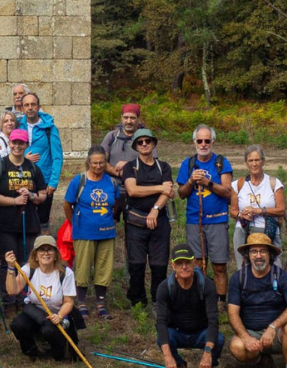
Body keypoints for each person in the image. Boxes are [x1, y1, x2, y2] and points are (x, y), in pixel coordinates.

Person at [228, 234, 287, 368]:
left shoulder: (282, 276)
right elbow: (232, 312)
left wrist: (273, 327)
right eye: (254, 251)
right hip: (251, 332)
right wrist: (246, 337)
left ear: (270, 254)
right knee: (236, 347)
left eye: (263, 251)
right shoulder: (239, 278)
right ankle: (262, 362)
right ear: (248, 255)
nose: (258, 256)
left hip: (277, 333)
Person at [0, 129, 48, 308]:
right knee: (8, 262)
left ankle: (23, 300)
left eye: (21, 143)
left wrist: (31, 195)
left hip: (29, 223)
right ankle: (8, 301)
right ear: (10, 143)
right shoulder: (0, 166)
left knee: (26, 263)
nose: (17, 146)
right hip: (4, 224)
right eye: (14, 142)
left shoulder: (33, 168)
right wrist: (14, 201)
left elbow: (43, 194)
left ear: (26, 144)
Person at [176, 124, 233, 301]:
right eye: (199, 141)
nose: (203, 144)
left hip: (217, 220)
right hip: (195, 221)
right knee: (197, 265)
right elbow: (181, 194)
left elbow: (227, 192)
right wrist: (191, 181)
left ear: (213, 141)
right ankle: (201, 300)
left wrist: (207, 182)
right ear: (194, 142)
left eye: (207, 141)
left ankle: (220, 301)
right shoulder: (188, 164)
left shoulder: (221, 163)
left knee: (219, 266)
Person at [62, 146, 119, 321]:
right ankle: (81, 303)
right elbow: (67, 204)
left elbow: (116, 203)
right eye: (94, 163)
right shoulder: (79, 181)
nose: (98, 166)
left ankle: (101, 303)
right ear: (88, 162)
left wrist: (113, 220)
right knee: (83, 268)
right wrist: (75, 223)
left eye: (101, 162)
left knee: (104, 268)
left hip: (107, 233)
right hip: (84, 233)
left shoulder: (111, 182)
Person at [155, 244, 223, 368]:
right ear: (173, 266)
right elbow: (160, 322)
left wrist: (207, 353)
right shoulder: (164, 287)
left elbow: (213, 320)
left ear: (194, 263)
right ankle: (179, 367)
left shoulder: (207, 285)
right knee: (163, 337)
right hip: (177, 331)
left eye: (187, 262)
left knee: (218, 339)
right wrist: (168, 357)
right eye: (179, 263)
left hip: (202, 332)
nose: (184, 267)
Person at [4, 235, 79, 361]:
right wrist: (11, 268)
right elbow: (12, 290)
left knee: (49, 331)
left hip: (56, 314)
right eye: (42, 250)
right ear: (36, 255)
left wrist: (59, 316)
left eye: (50, 249)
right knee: (18, 324)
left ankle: (59, 351)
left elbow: (68, 302)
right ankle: (32, 350)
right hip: (34, 313)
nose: (46, 253)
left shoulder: (66, 273)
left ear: (56, 254)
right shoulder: (29, 269)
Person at [123, 128, 174, 307]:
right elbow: (132, 190)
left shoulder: (164, 167)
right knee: (136, 263)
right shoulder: (130, 167)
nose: (144, 144)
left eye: (147, 141)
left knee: (159, 264)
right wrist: (159, 187)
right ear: (136, 146)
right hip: (136, 222)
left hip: (159, 221)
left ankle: (158, 299)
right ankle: (137, 300)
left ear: (153, 144)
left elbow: (168, 192)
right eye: (140, 142)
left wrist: (155, 209)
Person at [229, 146, 286, 270]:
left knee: (274, 267)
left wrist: (259, 211)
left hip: (269, 231)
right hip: (243, 231)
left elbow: (281, 210)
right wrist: (241, 215)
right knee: (244, 268)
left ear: (263, 162)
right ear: (246, 163)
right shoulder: (238, 185)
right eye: (250, 160)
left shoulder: (274, 183)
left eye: (257, 160)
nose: (254, 164)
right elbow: (233, 211)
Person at [17, 93, 62, 232]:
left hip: (44, 180)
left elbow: (57, 156)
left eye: (33, 104)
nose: (30, 108)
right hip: (22, 179)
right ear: (22, 108)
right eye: (26, 105)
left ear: (38, 107)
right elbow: (10, 148)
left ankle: (43, 243)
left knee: (43, 221)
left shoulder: (49, 128)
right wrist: (24, 158)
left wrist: (53, 182)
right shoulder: (17, 126)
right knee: (23, 219)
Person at [99, 103, 142, 184]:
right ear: (121, 118)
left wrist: (129, 166)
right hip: (112, 185)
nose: (129, 121)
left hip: (138, 184)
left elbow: (152, 164)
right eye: (126, 117)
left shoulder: (145, 139)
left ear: (138, 119)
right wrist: (116, 172)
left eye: (132, 118)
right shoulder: (112, 136)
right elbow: (100, 160)